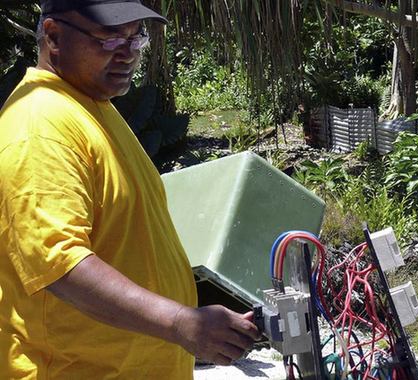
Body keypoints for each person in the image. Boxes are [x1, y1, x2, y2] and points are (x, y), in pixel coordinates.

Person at [0, 0, 259, 378]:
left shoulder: (91, 107)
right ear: (54, 36)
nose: (127, 54)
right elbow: (61, 266)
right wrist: (181, 322)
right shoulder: (40, 126)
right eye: (108, 39)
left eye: (134, 38)